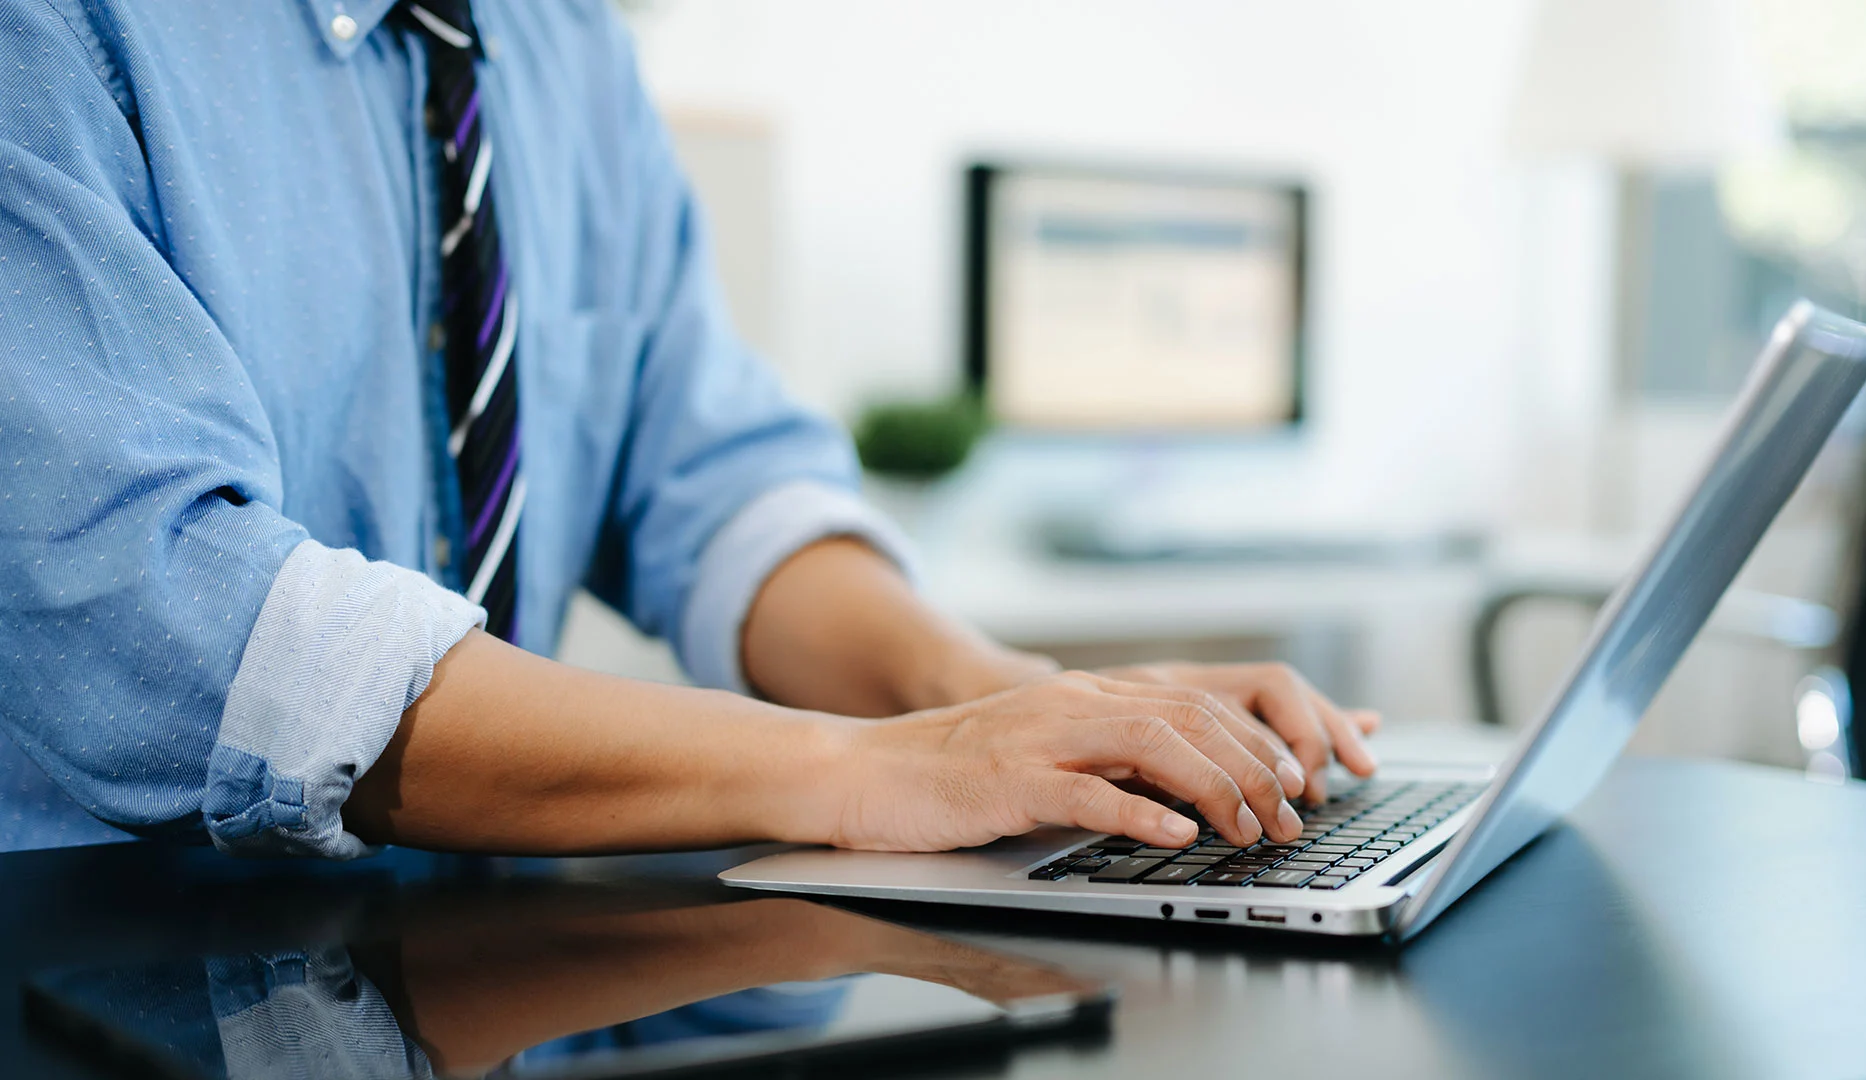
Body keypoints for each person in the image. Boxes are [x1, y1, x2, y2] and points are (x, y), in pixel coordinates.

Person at [0, 0, 1377, 860]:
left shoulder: (563, 44)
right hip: (107, 963)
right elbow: (156, 609)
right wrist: (864, 767)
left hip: (462, 955)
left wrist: (1002, 700)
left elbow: (710, 485)